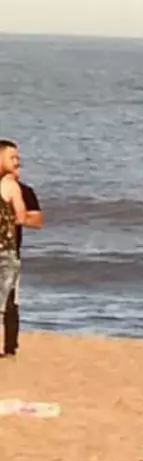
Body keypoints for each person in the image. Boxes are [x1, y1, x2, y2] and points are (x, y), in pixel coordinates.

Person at [1, 141, 43, 357]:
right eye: (12, 158)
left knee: (9, 300)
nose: (17, 162)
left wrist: (15, 216)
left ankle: (10, 347)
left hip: (10, 250)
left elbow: (36, 221)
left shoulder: (24, 190)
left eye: (17, 159)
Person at [0, 145, 28, 340]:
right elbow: (21, 216)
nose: (17, 161)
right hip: (5, 250)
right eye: (12, 158)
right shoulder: (10, 186)